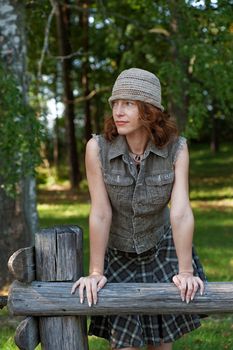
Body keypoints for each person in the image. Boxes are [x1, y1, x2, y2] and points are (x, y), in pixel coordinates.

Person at [71, 68, 206, 350]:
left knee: (160, 345)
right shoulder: (97, 149)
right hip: (118, 254)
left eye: (128, 104)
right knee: (125, 345)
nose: (118, 111)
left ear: (150, 110)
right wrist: (96, 272)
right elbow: (100, 213)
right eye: (115, 103)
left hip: (160, 250)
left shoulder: (177, 149)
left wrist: (185, 271)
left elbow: (180, 211)